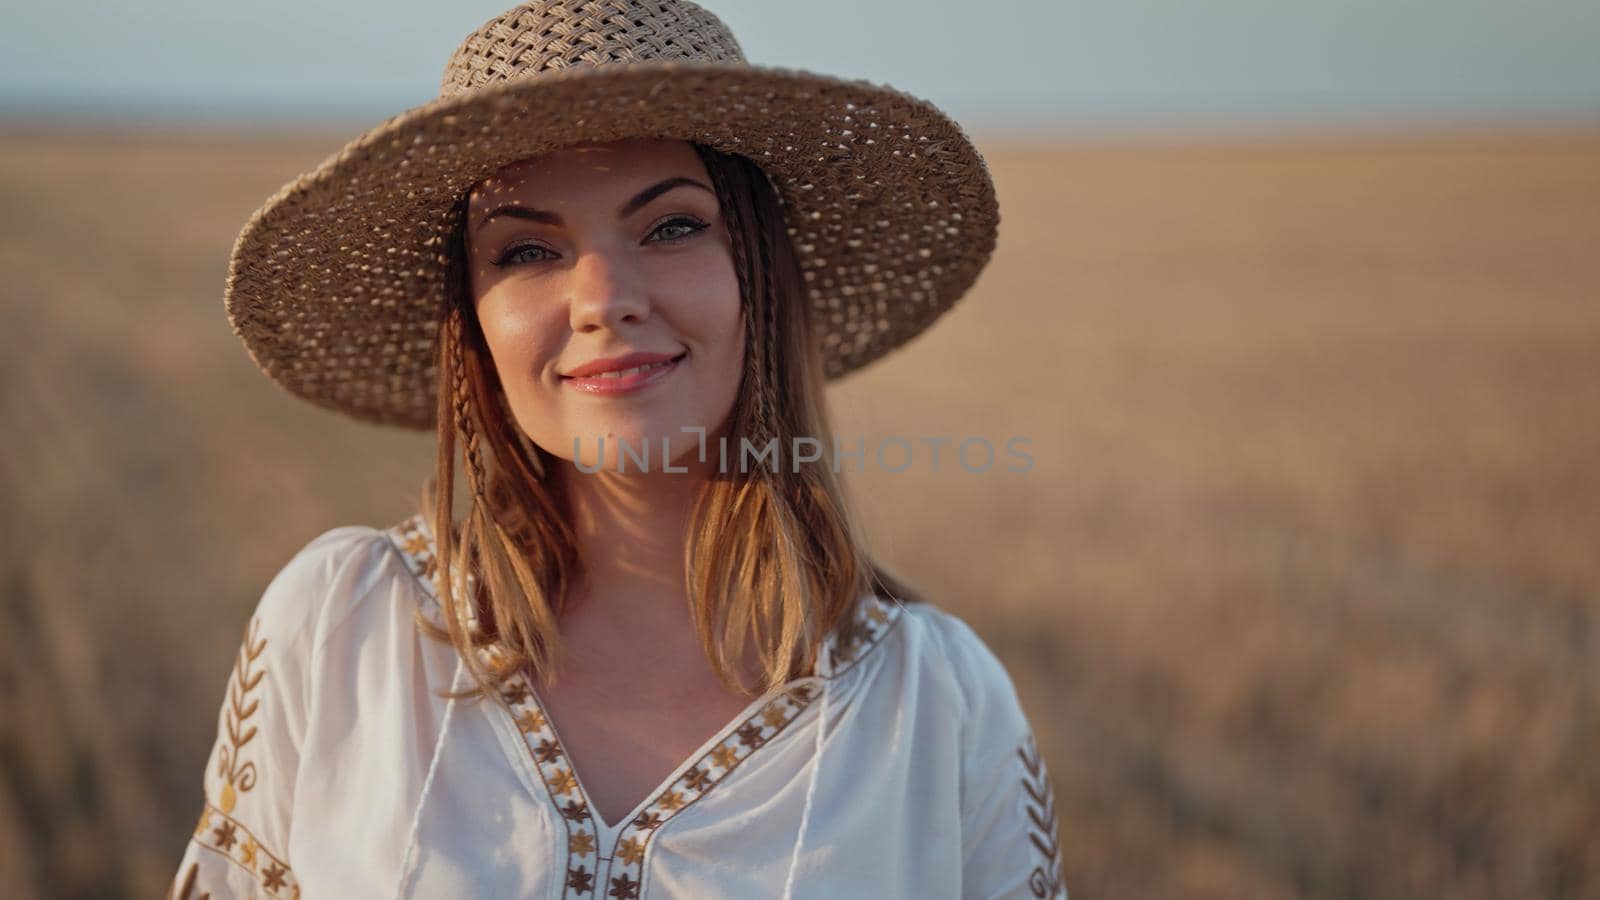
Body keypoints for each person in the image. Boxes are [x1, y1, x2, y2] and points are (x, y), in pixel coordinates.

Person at [169, 1, 1066, 898]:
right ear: (472, 328)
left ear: (761, 275)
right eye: (525, 249)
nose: (603, 300)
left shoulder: (939, 707)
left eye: (672, 227)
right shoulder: (340, 631)